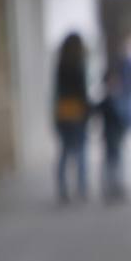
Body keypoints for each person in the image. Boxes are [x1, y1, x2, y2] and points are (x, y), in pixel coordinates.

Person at [52, 33, 90, 204]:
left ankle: (62, 188)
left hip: (63, 111)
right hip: (76, 111)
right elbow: (82, 92)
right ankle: (81, 187)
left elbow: (56, 92)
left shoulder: (61, 64)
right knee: (80, 151)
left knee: (65, 152)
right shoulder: (78, 65)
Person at [96, 67, 128, 202]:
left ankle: (114, 187)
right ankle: (111, 188)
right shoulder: (109, 99)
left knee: (115, 161)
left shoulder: (116, 97)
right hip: (111, 134)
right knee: (112, 162)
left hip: (114, 133)